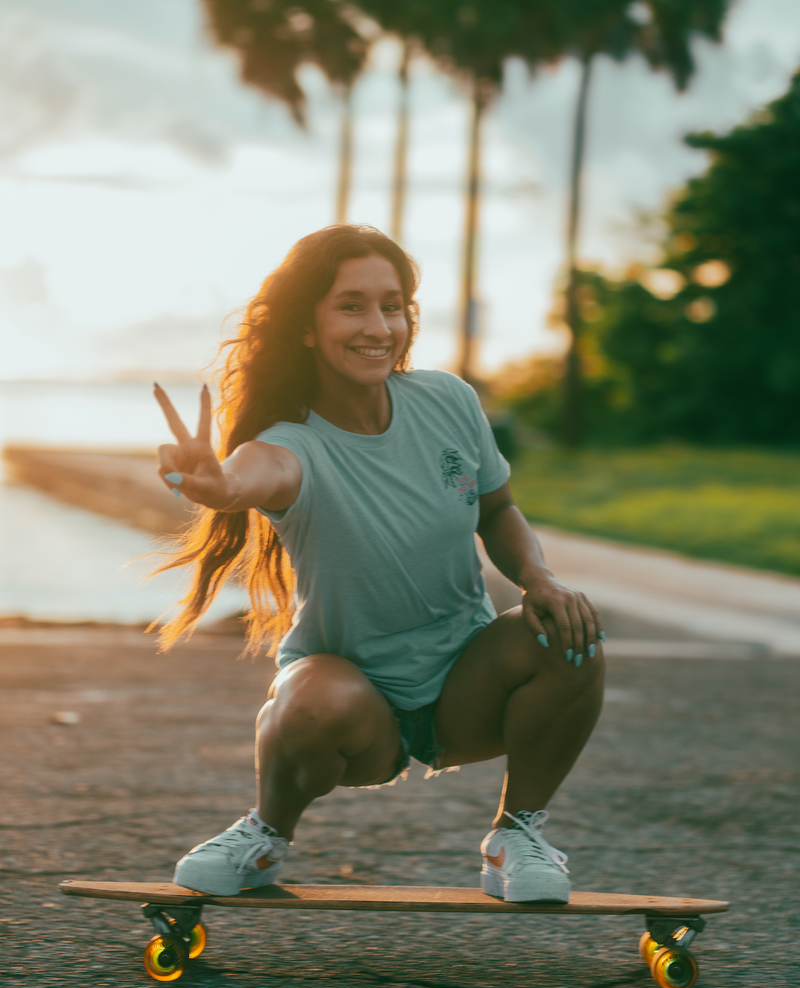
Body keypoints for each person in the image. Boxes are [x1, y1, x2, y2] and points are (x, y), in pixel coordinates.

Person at [153, 224, 605, 904]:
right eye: (351, 305)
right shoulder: (290, 443)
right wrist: (217, 486)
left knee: (570, 633)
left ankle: (518, 834)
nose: (378, 325)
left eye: (391, 305)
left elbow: (498, 508)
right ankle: (265, 835)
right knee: (310, 699)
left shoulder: (449, 401)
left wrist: (538, 579)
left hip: (464, 686)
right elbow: (253, 473)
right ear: (307, 326)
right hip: (354, 707)